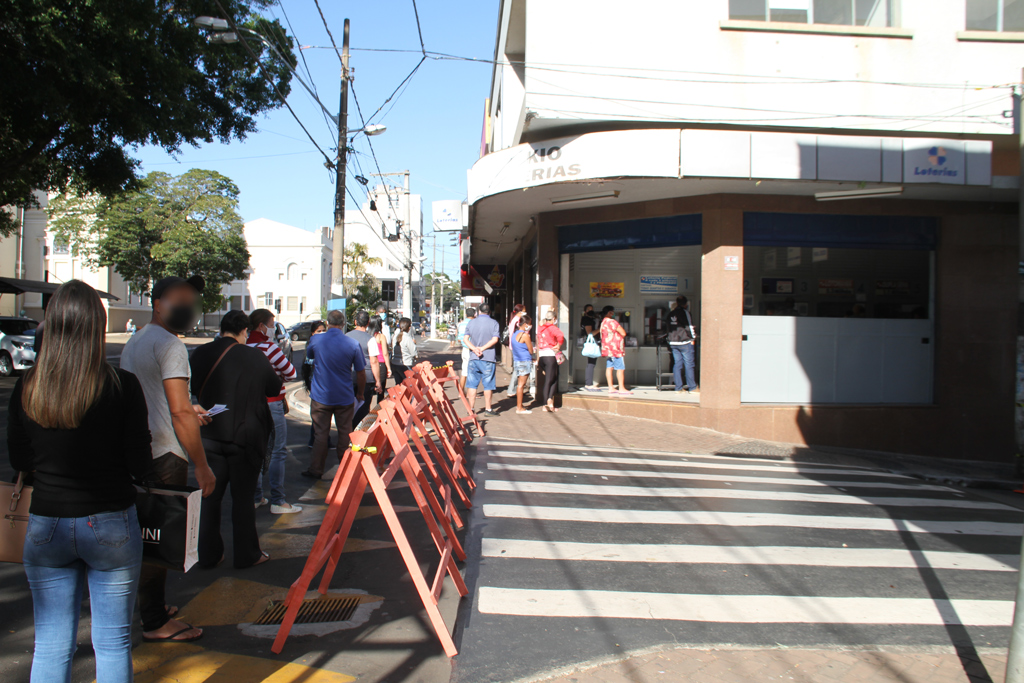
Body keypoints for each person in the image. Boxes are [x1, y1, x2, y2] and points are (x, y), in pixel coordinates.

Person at [8, 280, 153, 683]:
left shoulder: (28, 386)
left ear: (51, 326)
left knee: (52, 644)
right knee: (113, 643)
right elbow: (140, 463)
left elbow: (20, 460)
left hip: (45, 523)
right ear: (97, 327)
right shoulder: (122, 386)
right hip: (110, 521)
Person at [120, 274, 215, 643]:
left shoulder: (138, 340)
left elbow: (157, 398)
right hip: (165, 454)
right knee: (160, 541)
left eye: (191, 300)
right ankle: (155, 621)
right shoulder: (172, 346)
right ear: (157, 303)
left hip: (139, 450)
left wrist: (189, 408)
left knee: (146, 537)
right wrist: (202, 465)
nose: (187, 307)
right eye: (178, 299)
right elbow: (177, 413)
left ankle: (151, 607)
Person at [190, 311, 281, 569]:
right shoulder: (254, 356)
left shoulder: (201, 353)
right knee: (243, 500)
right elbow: (273, 388)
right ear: (244, 331)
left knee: (211, 497)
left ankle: (208, 554)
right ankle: (247, 554)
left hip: (209, 433)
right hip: (245, 437)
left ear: (222, 329)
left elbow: (193, 387)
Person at [247, 309, 300, 514]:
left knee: (257, 450)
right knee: (277, 450)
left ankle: (256, 496)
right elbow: (291, 372)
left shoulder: (244, 346)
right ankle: (278, 500)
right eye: (271, 324)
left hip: (250, 403)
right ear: (262, 326)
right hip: (272, 402)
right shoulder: (268, 347)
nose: (273, 328)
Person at [302, 310, 366, 480]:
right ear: (344, 323)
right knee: (345, 433)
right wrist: (360, 393)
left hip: (321, 396)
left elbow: (310, 357)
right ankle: (346, 469)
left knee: (320, 433)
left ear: (328, 323)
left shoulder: (316, 340)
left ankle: (316, 469)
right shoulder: (352, 344)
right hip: (344, 396)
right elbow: (360, 372)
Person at [463, 303, 501, 415]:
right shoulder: (494, 323)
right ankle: (488, 409)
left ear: (478, 311)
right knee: (488, 384)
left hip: (474, 358)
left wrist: (475, 349)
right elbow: (495, 340)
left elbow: (465, 339)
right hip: (488, 358)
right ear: (489, 312)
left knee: (471, 384)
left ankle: (471, 409)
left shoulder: (471, 322)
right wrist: (482, 349)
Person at [347, 311, 377, 429]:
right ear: (368, 323)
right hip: (367, 377)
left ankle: (347, 433)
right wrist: (378, 381)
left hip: (348, 376)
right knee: (363, 408)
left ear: (355, 322)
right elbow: (374, 361)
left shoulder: (346, 336)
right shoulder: (371, 339)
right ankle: (359, 434)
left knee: (348, 407)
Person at [665, 295, 698, 393]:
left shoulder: (670, 314)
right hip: (684, 342)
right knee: (689, 364)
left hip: (673, 342)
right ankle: (692, 387)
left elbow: (668, 327)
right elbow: (689, 326)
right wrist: (693, 338)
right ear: (686, 304)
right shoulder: (685, 312)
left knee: (677, 364)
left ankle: (678, 388)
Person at [303, 320, 327, 448]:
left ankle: (325, 439)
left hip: (325, 384)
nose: (322, 333)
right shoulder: (311, 346)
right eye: (319, 331)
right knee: (318, 414)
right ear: (312, 333)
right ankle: (314, 440)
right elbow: (307, 366)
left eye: (324, 331)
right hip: (316, 384)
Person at [536, 309, 566, 412]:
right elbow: (561, 336)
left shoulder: (540, 328)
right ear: (554, 319)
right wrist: (558, 345)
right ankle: (548, 402)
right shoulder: (553, 328)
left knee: (550, 379)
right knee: (551, 380)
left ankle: (547, 403)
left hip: (542, 357)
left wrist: (551, 310)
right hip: (550, 356)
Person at [600, 305, 632, 395]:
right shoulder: (612, 322)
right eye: (612, 312)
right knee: (620, 368)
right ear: (610, 312)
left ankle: (611, 387)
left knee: (609, 367)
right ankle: (621, 387)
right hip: (615, 349)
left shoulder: (603, 322)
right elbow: (623, 333)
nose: (613, 314)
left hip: (607, 349)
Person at [510, 314, 534, 414]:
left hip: (517, 361)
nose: (530, 326)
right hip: (525, 361)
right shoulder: (525, 335)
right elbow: (531, 350)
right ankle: (519, 408)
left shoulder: (514, 334)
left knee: (520, 384)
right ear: (524, 324)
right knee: (521, 385)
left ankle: (520, 405)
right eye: (529, 324)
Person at [367, 315, 392, 407]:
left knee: (369, 391)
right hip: (381, 364)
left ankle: (367, 412)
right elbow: (385, 353)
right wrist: (389, 368)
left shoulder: (367, 336)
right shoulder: (381, 336)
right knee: (380, 392)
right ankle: (379, 412)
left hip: (370, 363)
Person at [580, 304, 601, 391]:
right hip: (591, 343)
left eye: (592, 309)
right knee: (591, 363)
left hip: (591, 343)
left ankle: (589, 383)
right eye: (588, 310)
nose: (591, 311)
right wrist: (600, 329)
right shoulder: (586, 319)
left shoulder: (590, 319)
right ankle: (588, 384)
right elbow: (590, 333)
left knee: (591, 363)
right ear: (585, 311)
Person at [390, 317, 418, 382]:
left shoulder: (395, 337)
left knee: (399, 385)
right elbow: (414, 353)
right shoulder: (408, 338)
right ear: (409, 327)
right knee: (410, 384)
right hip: (406, 365)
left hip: (395, 364)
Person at [457, 308, 476, 391]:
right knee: (472, 372)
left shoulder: (461, 324)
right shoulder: (474, 323)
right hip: (471, 349)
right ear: (474, 314)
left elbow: (459, 338)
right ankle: (470, 393)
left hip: (464, 348)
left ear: (466, 314)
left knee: (464, 371)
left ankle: (461, 392)